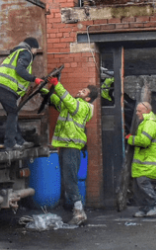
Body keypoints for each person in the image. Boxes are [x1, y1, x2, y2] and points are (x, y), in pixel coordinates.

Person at [43, 78, 98, 226]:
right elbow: (58, 100)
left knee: (70, 180)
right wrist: (42, 89)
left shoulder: (83, 107)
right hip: (67, 145)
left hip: (72, 147)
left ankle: (79, 213)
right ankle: (78, 211)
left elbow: (67, 99)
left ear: (88, 98)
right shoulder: (72, 106)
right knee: (68, 179)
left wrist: (57, 84)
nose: (80, 90)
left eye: (84, 91)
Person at [0, 37, 40, 151]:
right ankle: (10, 144)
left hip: (1, 84)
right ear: (32, 47)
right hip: (5, 85)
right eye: (36, 49)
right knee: (13, 112)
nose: (36, 52)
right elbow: (19, 70)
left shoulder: (18, 52)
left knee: (13, 112)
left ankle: (20, 141)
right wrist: (34, 79)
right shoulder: (26, 53)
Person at [126, 102, 156, 218]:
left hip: (148, 161)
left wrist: (130, 139)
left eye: (139, 111)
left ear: (147, 110)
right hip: (144, 162)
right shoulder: (147, 122)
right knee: (137, 187)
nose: (137, 113)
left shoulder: (150, 123)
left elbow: (144, 141)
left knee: (142, 183)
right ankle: (145, 208)